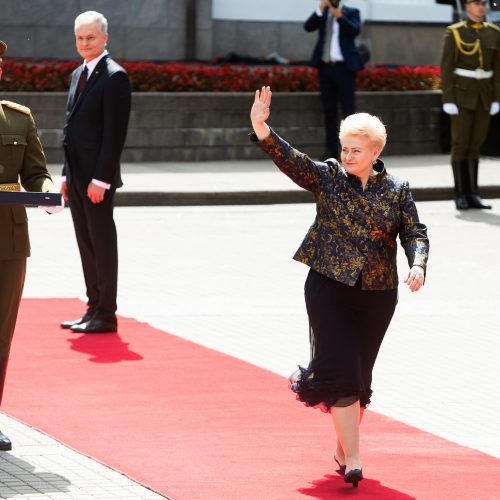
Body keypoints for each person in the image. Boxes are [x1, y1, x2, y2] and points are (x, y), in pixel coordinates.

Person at [249, 86, 429, 489]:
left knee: (360, 377)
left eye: (356, 151)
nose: (347, 156)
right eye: (344, 148)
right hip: (328, 287)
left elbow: (414, 232)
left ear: (375, 152)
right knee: (343, 370)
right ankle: (355, 459)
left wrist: (417, 264)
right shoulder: (328, 176)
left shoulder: (397, 190)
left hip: (378, 294)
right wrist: (262, 128)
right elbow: (292, 161)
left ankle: (342, 447)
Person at [0, 40, 60, 450]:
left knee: (1, 334)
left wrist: (48, 192)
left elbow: (35, 173)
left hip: (9, 239)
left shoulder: (17, 119)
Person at [60, 11, 131, 333]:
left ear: (105, 38)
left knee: (102, 245)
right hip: (76, 177)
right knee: (86, 244)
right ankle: (92, 309)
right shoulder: (78, 74)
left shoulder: (115, 76)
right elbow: (71, 129)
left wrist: (101, 179)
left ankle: (106, 314)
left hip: (97, 181)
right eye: (80, 38)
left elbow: (114, 134)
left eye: (91, 37)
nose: (85, 43)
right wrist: (65, 175)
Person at [440, 0, 500, 210]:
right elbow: (446, 68)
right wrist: (448, 99)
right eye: (476, 3)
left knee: (475, 145)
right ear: (467, 6)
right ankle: (460, 194)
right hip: (462, 97)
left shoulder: (493, 32)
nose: (481, 7)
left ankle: (473, 194)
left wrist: (496, 98)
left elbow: (497, 70)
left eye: (484, 3)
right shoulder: (454, 32)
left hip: (484, 96)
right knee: (461, 145)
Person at [304, 0, 364, 159]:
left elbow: (355, 30)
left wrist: (340, 17)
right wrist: (320, 9)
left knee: (349, 112)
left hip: (345, 68)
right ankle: (331, 152)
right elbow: (308, 27)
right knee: (329, 111)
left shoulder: (352, 12)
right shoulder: (323, 13)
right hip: (325, 68)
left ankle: (353, 151)